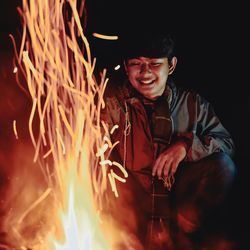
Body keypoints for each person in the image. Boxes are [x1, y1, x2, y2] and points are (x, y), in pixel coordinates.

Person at [100, 31, 237, 250]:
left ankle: (184, 231)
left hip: (178, 198)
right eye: (136, 63)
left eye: (155, 64)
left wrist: (186, 146)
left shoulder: (192, 105)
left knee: (223, 166)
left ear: (171, 65)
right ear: (126, 67)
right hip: (133, 199)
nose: (145, 73)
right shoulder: (115, 104)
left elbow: (227, 145)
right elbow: (92, 140)